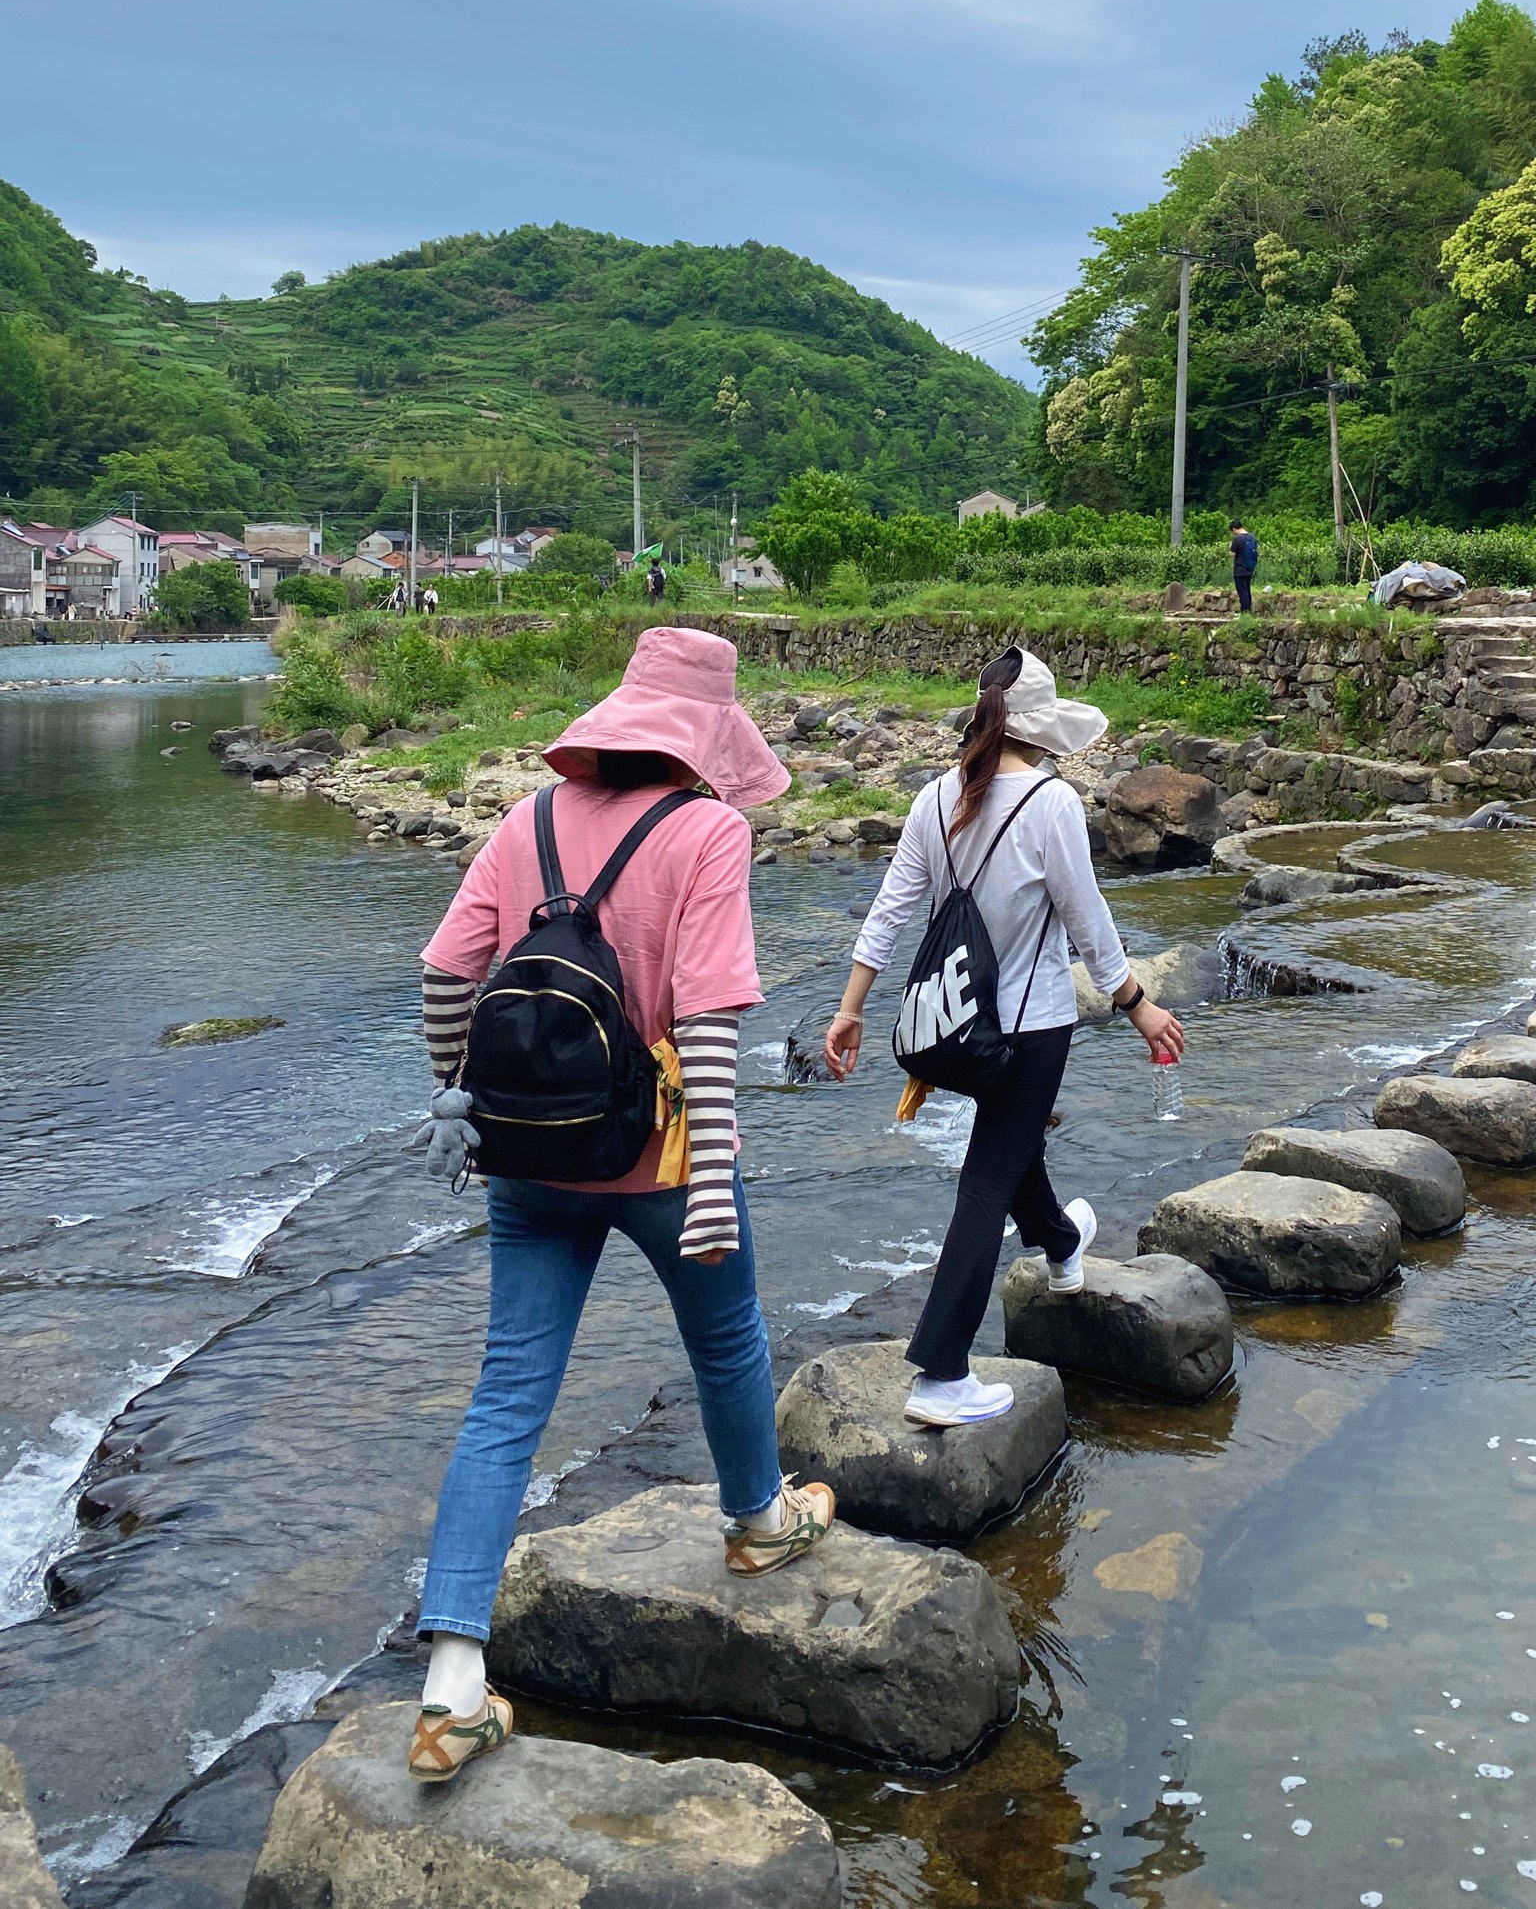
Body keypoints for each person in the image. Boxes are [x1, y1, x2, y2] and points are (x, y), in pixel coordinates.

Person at [403, 628, 833, 1783]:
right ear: (705, 740)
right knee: (727, 1337)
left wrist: (457, 1100)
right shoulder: (708, 829)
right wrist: (709, 1178)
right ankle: (756, 1523)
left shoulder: (528, 818)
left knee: (505, 1395)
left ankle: (450, 1684)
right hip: (657, 1156)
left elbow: (447, 972)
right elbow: (707, 1018)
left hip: (530, 1161)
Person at [823, 647, 1185, 1429]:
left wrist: (850, 1008)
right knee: (988, 1181)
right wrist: (1139, 1006)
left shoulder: (934, 798)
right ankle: (941, 1374)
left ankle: (1062, 1245)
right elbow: (1089, 922)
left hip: (952, 1027)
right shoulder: (1050, 804)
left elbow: (888, 913)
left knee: (1011, 1150)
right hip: (1028, 1031)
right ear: (1041, 729)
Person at [1229, 519, 1259, 613]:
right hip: (1250, 568)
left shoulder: (1237, 539)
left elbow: (1233, 554)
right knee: (1247, 590)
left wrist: (1229, 549)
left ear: (1234, 529)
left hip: (1239, 569)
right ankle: (1248, 610)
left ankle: (1245, 612)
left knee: (1242, 592)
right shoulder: (1252, 537)